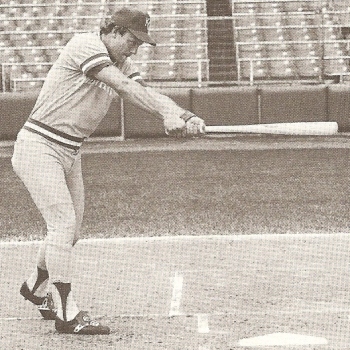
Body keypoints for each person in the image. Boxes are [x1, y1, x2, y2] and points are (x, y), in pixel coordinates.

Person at [11, 6, 205, 335]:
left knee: (70, 234)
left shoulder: (122, 62)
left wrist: (184, 115)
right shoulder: (85, 45)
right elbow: (126, 89)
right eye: (133, 40)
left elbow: (147, 93)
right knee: (62, 225)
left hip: (70, 150)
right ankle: (66, 314)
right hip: (39, 146)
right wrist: (165, 116)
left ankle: (34, 287)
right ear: (113, 31)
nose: (136, 47)